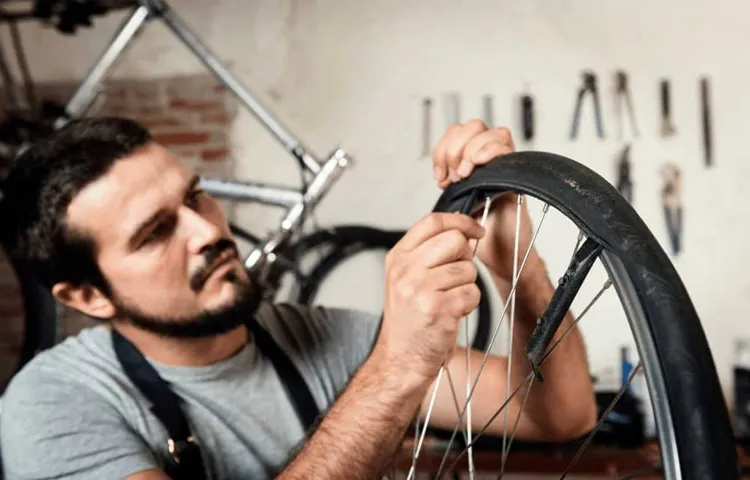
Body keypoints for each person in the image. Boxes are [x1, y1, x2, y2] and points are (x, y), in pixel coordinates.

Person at [0, 116, 595, 479]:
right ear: (85, 294)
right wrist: (395, 372)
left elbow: (562, 413)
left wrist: (514, 259)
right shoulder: (51, 406)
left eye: (196, 197)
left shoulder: (327, 340)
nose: (208, 230)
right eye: (157, 232)